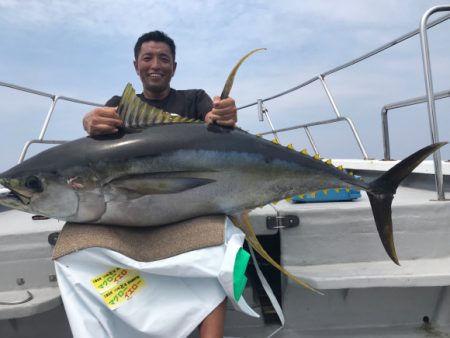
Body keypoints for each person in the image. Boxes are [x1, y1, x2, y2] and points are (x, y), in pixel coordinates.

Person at [80, 31, 241, 338]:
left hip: (190, 207)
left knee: (216, 257)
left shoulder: (194, 99)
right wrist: (89, 121)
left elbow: (215, 122)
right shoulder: (119, 106)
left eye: (163, 58)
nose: (156, 64)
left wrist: (223, 114)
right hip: (138, 212)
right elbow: (98, 145)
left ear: (174, 67)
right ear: (136, 65)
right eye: (148, 58)